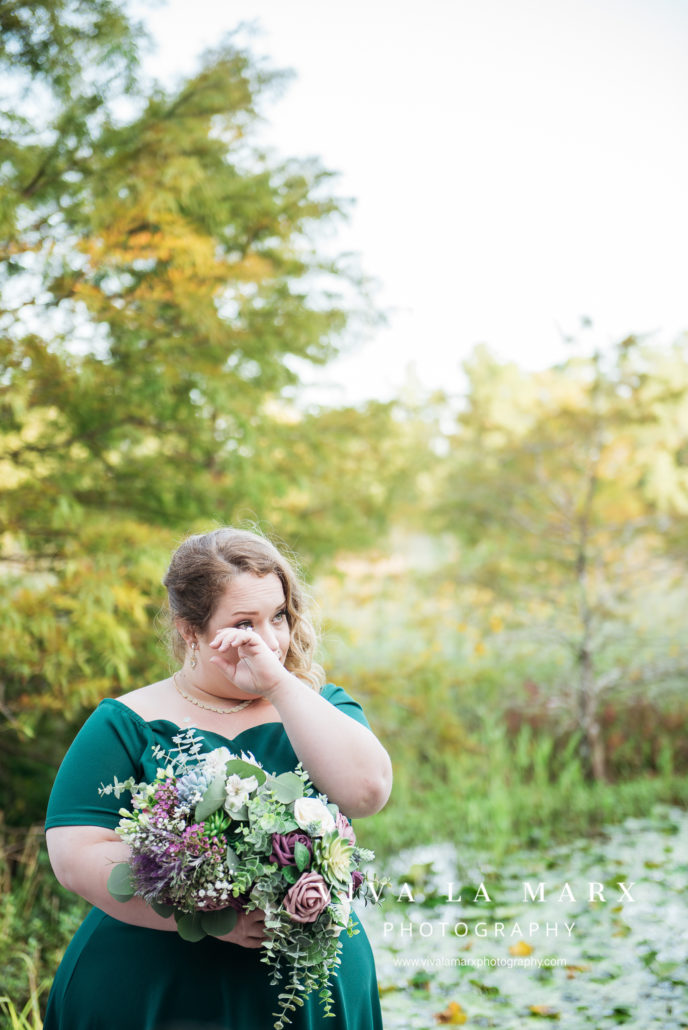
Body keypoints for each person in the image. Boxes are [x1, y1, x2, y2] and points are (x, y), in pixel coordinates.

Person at [44, 527, 393, 1030]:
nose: (268, 641)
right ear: (191, 629)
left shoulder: (321, 708)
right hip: (156, 991)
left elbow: (367, 793)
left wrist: (277, 683)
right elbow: (75, 855)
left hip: (308, 994)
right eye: (244, 624)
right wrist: (207, 913)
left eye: (278, 617)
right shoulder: (124, 722)